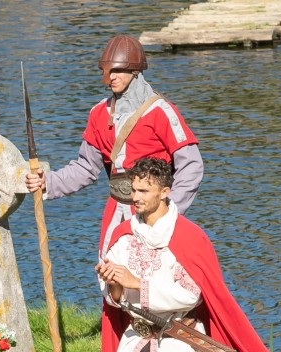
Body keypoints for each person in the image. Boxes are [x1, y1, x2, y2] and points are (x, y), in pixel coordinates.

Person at [95, 157, 281, 352]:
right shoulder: (124, 235)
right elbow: (116, 299)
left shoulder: (188, 237)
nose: (135, 197)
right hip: (134, 341)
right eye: (133, 190)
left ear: (165, 192)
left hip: (176, 341)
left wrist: (136, 283)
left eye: (143, 191)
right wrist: (113, 285)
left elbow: (191, 294)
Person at [25, 34, 204, 258]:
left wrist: (169, 210)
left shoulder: (162, 112)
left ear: (135, 71)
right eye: (108, 70)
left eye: (118, 70)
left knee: (151, 281)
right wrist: (47, 182)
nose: (112, 76)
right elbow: (85, 167)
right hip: (116, 212)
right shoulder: (98, 113)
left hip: (153, 213)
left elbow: (192, 166)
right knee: (111, 280)